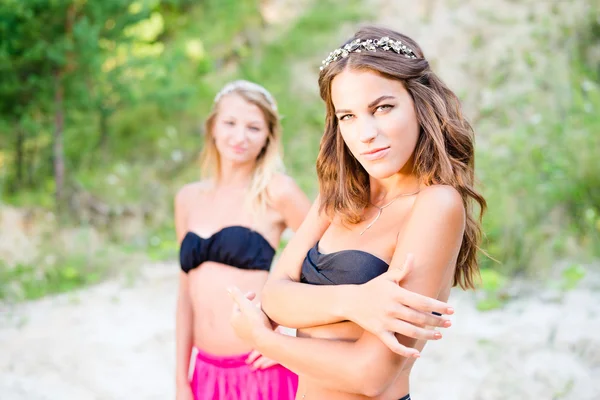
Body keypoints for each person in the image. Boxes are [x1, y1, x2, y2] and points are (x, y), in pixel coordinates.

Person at [228, 26, 486, 400]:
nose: (365, 133)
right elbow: (274, 297)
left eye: (382, 108)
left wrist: (261, 338)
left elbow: (369, 375)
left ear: (419, 103)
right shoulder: (340, 195)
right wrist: (354, 301)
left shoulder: (435, 204)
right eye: (347, 116)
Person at [175, 80, 311, 400]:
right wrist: (181, 380)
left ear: (267, 137)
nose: (239, 137)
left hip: (261, 371)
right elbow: (185, 297)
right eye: (230, 123)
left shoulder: (278, 192)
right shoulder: (188, 198)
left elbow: (330, 265)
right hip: (205, 373)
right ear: (213, 127)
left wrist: (295, 344)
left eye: (253, 127)